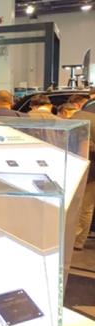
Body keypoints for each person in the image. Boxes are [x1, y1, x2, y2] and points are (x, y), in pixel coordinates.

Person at [70, 99, 95, 250]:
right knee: (86, 206)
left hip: (87, 169)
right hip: (90, 169)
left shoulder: (81, 117)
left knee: (83, 206)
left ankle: (77, 241)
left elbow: (82, 147)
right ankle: (77, 240)